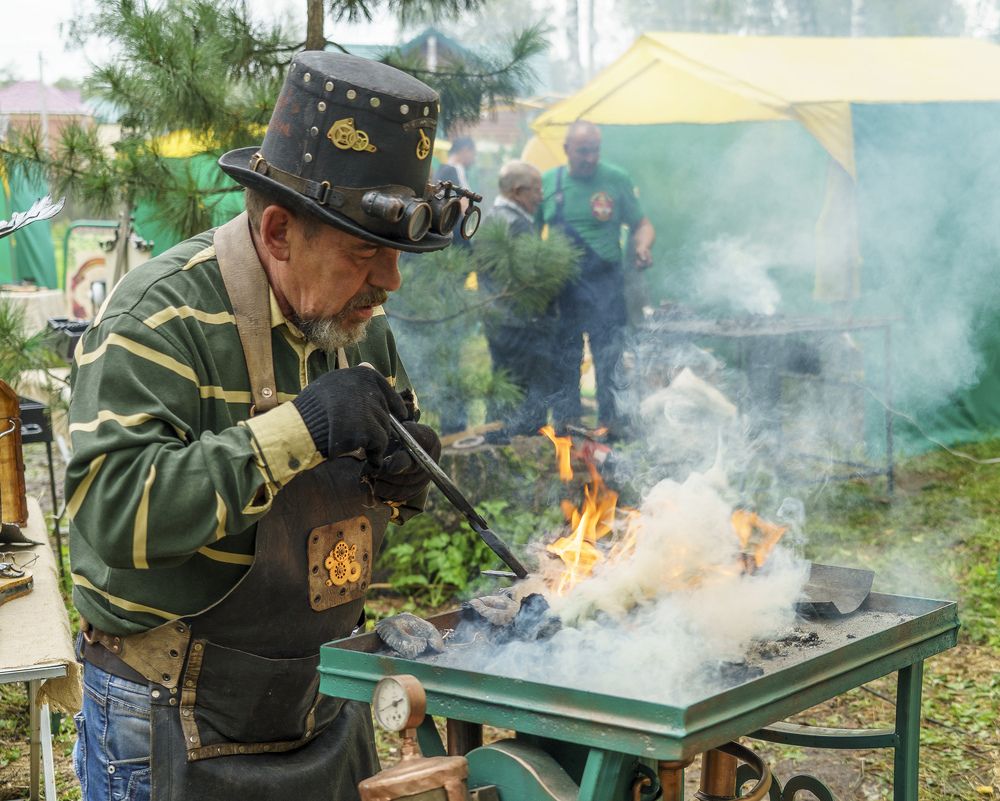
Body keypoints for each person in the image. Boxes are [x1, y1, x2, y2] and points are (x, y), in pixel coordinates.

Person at [67, 52, 470, 801]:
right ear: (279, 231)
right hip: (169, 718)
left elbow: (350, 517)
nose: (390, 282)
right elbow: (111, 515)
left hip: (322, 709)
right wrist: (300, 429)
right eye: (364, 252)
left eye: (394, 254)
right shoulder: (157, 317)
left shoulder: (356, 321)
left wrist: (407, 476)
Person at [539, 120, 655, 437]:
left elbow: (642, 224)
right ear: (566, 150)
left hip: (606, 285)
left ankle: (612, 426)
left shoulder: (616, 179)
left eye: (595, 150)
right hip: (564, 288)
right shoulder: (549, 182)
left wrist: (642, 246)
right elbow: (531, 240)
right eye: (583, 151)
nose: (590, 157)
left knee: (610, 357)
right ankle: (566, 427)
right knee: (565, 358)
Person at [480, 160, 553, 439]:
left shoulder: (493, 218)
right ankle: (523, 442)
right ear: (517, 190)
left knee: (505, 378)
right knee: (524, 382)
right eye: (536, 189)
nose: (540, 196)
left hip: (497, 315)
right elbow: (529, 278)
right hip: (518, 319)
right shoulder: (516, 224)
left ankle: (497, 437)